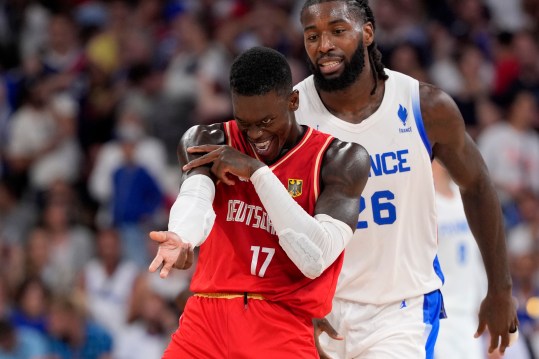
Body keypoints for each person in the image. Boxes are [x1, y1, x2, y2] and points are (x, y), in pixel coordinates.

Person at [295, 1, 518, 358]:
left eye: (338, 31)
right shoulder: (292, 116)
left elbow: (477, 184)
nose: (324, 45)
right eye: (312, 35)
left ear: (367, 32)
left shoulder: (425, 106)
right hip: (319, 307)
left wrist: (500, 288)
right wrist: (294, 303)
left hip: (402, 311)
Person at [148, 46, 370, 358]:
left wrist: (257, 174)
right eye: (245, 122)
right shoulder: (208, 138)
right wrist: (182, 237)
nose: (256, 135)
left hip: (280, 325)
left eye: (266, 121)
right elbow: (196, 196)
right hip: (206, 322)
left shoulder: (340, 159)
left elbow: (315, 257)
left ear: (293, 101)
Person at [432, 159, 487, 358]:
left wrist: (485, 298)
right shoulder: (425, 202)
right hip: (440, 313)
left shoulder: (465, 197)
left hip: (468, 311)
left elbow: (477, 258)